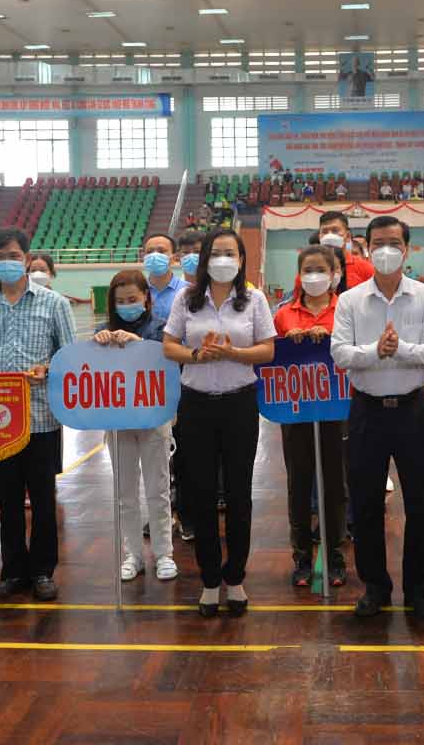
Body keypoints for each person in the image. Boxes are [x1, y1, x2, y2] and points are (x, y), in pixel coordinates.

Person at [331, 215, 424, 619]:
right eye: (378, 242)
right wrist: (373, 351)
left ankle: (419, 590)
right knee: (364, 505)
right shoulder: (349, 300)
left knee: (421, 504)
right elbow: (340, 354)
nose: (386, 250)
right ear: (365, 247)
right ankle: (375, 587)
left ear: (407, 248)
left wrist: (400, 350)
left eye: (394, 242)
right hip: (366, 412)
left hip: (413, 411)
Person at [162, 229, 276, 616]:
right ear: (206, 258)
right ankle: (210, 579)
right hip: (196, 407)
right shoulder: (186, 299)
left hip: (240, 405)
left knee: (240, 494)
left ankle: (236, 578)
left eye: (231, 253)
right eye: (217, 252)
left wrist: (233, 353)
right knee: (201, 494)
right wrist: (197, 356)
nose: (223, 259)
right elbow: (169, 344)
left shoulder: (254, 299)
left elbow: (268, 350)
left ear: (242, 259)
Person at [0, 229, 77, 602]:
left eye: (13, 255)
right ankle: (12, 572)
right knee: (7, 500)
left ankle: (43, 571)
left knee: (43, 500)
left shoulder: (54, 304)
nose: (6, 261)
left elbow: (69, 358)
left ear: (28, 259)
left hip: (42, 415)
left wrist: (49, 368)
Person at [273, 245, 348, 589]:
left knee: (335, 485)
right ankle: (301, 557)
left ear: (334, 274)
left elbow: (355, 349)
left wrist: (331, 340)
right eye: (308, 268)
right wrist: (288, 342)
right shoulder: (284, 313)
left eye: (322, 268)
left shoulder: (347, 309)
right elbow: (270, 356)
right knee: (299, 484)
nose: (315, 275)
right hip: (296, 410)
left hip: (338, 408)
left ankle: (334, 556)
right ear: (299, 273)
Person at [95, 270, 176, 583]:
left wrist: (141, 344)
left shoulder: (161, 330)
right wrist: (98, 346)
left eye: (132, 299)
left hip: (154, 418)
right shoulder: (104, 331)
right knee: (124, 492)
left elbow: (170, 365)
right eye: (120, 301)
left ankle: (164, 554)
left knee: (158, 489)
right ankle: (133, 554)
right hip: (118, 421)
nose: (127, 305)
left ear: (146, 298)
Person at [169, 230, 205, 543]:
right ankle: (186, 515)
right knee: (183, 454)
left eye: (198, 249)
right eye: (186, 251)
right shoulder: (180, 295)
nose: (191, 255)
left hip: (221, 384)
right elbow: (169, 343)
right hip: (179, 377)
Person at [317, 211, 375, 293]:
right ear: (319, 236)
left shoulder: (365, 268)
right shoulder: (310, 268)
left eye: (335, 230)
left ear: (347, 236)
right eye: (324, 232)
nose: (329, 235)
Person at [141, 232, 186, 323]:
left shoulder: (188, 290)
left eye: (161, 251)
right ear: (144, 257)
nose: (154, 256)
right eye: (149, 252)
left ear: (174, 257)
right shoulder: (138, 289)